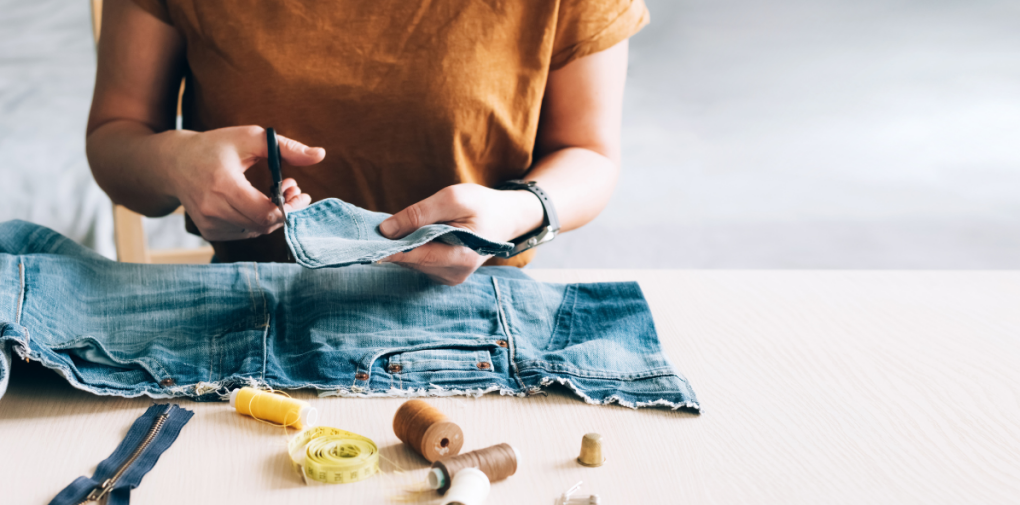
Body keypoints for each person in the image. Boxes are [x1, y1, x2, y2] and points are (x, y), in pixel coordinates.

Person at [86, 0, 649, 284]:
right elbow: (116, 136)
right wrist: (173, 163)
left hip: (476, 315)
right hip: (250, 308)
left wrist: (518, 210)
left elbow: (590, 153)